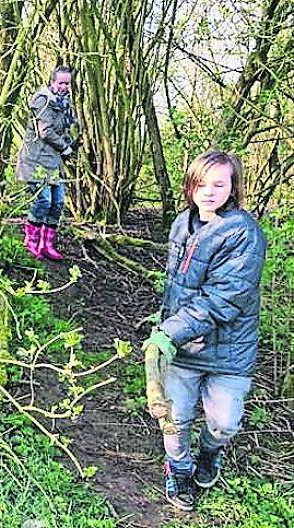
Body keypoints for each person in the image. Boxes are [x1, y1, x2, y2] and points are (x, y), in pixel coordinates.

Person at [141, 151, 266, 511]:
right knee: (175, 418)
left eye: (219, 184)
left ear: (233, 188)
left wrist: (170, 330)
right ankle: (178, 469)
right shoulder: (183, 223)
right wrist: (166, 323)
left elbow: (223, 299)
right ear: (190, 186)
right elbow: (176, 285)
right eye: (201, 183)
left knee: (224, 422)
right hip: (183, 346)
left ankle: (210, 452)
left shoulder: (243, 233)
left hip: (229, 351)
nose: (208, 192)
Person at [15, 65, 79, 261]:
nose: (63, 87)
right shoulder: (43, 100)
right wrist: (65, 147)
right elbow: (46, 131)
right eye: (60, 82)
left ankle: (47, 244)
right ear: (52, 81)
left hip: (54, 162)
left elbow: (66, 128)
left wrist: (72, 141)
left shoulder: (65, 103)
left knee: (58, 203)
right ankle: (31, 241)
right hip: (36, 161)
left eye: (67, 83)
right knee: (43, 201)